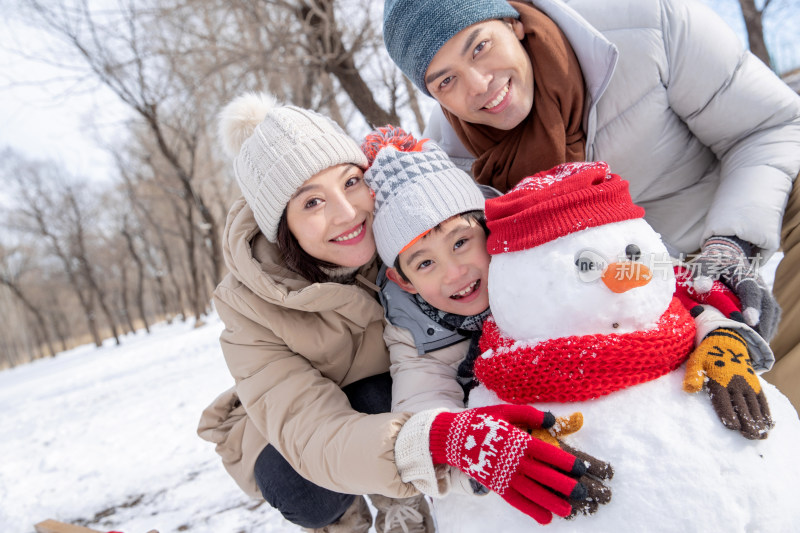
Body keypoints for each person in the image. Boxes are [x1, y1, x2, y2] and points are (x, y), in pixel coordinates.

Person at [196, 93, 604, 531]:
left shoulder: (411, 219)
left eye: (351, 182)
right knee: (306, 491)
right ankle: (345, 518)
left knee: (396, 391)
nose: (348, 212)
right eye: (312, 203)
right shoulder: (249, 306)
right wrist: (433, 446)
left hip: (399, 387)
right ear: (282, 227)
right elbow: (310, 434)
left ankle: (395, 495)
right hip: (291, 427)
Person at [382, 0, 800, 412]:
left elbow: (770, 127)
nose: (478, 84)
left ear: (512, 22)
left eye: (479, 47)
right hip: (609, 286)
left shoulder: (648, 25)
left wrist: (730, 247)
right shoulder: (453, 164)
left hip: (725, 216)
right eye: (446, 82)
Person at [361, 126, 614, 513]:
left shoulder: (532, 258)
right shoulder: (411, 328)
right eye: (425, 263)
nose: (455, 273)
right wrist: (466, 449)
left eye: (461, 242)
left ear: (487, 227)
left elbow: (623, 286)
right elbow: (422, 401)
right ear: (404, 281)